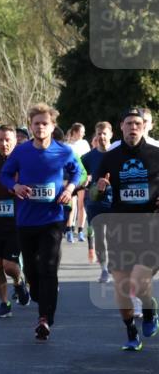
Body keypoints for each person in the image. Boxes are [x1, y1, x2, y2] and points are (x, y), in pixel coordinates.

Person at [0, 102, 86, 341]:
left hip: (53, 219)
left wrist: (70, 187)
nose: (40, 128)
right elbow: (5, 174)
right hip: (26, 220)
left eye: (44, 124)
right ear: (31, 126)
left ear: (52, 126)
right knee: (32, 271)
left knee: (48, 267)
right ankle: (39, 295)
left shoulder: (64, 151)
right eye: (36, 124)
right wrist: (15, 186)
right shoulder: (21, 151)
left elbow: (78, 172)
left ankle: (44, 319)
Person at [91, 107, 159, 350]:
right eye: (129, 123)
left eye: (137, 124)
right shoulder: (110, 157)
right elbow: (94, 195)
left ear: (144, 127)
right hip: (120, 228)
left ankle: (150, 310)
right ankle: (131, 331)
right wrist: (99, 187)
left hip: (150, 228)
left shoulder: (156, 154)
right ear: (121, 126)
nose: (133, 128)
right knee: (121, 285)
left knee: (139, 284)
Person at [0, 124, 30, 318]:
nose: (4, 143)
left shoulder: (22, 163)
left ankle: (19, 282)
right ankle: (5, 303)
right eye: (0, 139)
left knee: (9, 265)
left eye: (8, 139)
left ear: (15, 141)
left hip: (16, 222)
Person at [82, 121, 114, 283]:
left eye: (104, 133)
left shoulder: (118, 154)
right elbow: (80, 176)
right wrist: (85, 181)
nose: (101, 136)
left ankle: (115, 265)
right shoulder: (88, 157)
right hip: (95, 203)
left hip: (115, 202)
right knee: (100, 237)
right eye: (98, 133)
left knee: (115, 237)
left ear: (111, 135)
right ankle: (104, 270)